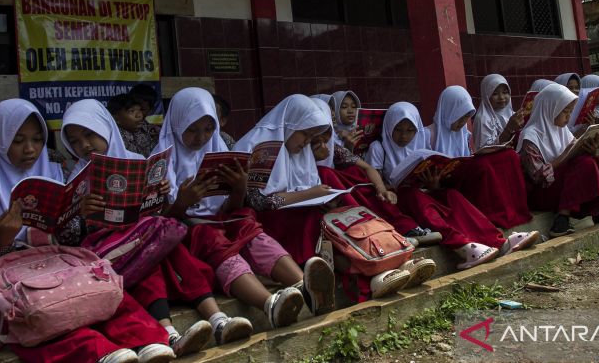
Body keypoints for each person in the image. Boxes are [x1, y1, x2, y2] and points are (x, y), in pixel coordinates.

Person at [0, 99, 174, 363]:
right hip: (19, 278)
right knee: (49, 316)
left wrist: (78, 215)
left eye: (37, 139)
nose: (30, 149)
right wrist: (4, 238)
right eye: (18, 140)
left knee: (103, 292)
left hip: (62, 262)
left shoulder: (55, 171)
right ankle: (101, 352)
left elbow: (72, 238)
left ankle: (149, 340)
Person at [61, 100, 246, 354]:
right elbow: (68, 236)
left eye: (89, 134)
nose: (84, 145)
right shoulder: (77, 179)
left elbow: (154, 211)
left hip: (144, 237)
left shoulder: (136, 161)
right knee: (150, 254)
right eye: (74, 141)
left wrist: (159, 193)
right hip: (112, 253)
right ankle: (169, 333)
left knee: (165, 244)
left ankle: (217, 319)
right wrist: (82, 215)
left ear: (105, 128)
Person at [155, 88, 335, 329]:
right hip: (191, 231)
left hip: (223, 221)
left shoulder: (218, 147)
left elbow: (232, 208)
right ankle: (269, 304)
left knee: (249, 228)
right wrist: (181, 203)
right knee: (216, 241)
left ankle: (305, 286)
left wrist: (239, 187)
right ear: (176, 124)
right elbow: (157, 222)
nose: (201, 138)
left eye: (208, 129)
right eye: (192, 130)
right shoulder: (160, 160)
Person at [234, 95, 412, 300]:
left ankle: (382, 264)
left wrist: (323, 199)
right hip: (271, 223)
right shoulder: (259, 145)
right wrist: (312, 194)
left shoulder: (297, 147)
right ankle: (374, 274)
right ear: (291, 125)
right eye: (305, 135)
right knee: (320, 225)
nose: (307, 143)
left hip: (298, 213)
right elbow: (259, 202)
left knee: (336, 218)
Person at [366, 102, 538, 270]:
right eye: (398, 130)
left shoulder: (419, 142)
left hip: (424, 191)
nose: (404, 136)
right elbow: (374, 180)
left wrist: (433, 182)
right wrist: (388, 187)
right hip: (400, 200)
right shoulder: (378, 147)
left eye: (410, 130)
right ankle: (462, 246)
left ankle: (499, 241)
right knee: (415, 197)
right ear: (389, 128)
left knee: (452, 196)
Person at [516, 84, 599, 238]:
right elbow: (539, 178)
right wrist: (568, 154)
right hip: (543, 194)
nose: (568, 116)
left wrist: (592, 150)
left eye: (570, 111)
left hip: (562, 186)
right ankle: (564, 217)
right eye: (564, 111)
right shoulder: (530, 137)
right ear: (549, 108)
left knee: (593, 158)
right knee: (584, 163)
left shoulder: (561, 129)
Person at [309, 98, 442, 247]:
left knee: (361, 179)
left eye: (327, 131)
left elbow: (367, 168)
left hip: (342, 197)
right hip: (319, 202)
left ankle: (402, 229)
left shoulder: (334, 148)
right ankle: (383, 234)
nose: (324, 144)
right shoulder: (295, 154)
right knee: (327, 173)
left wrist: (382, 190)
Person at [427, 86, 533, 229]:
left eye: (465, 118)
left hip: (462, 177)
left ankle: (510, 211)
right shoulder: (428, 134)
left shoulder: (463, 133)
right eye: (459, 117)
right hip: (444, 184)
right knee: (482, 166)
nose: (462, 123)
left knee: (509, 156)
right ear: (448, 112)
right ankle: (491, 215)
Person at [472, 74, 525, 150]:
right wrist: (508, 129)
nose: (501, 97)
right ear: (486, 95)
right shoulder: (483, 119)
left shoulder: (512, 114)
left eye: (505, 92)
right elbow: (484, 150)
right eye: (495, 94)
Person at [123, 84, 161, 157]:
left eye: (142, 109)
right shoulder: (116, 132)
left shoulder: (154, 132)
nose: (138, 114)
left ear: (150, 110)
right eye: (132, 110)